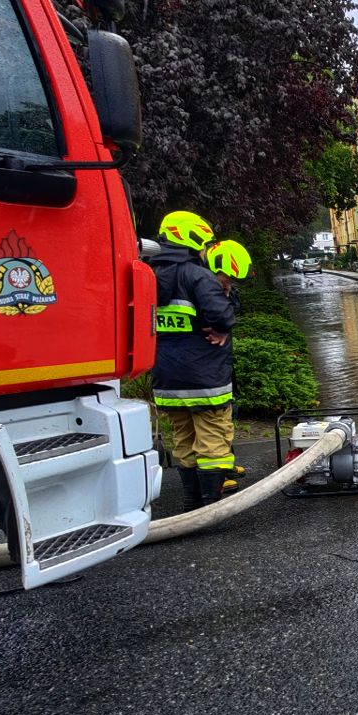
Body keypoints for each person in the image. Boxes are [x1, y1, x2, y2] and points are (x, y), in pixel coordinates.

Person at [148, 211, 237, 507]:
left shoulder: (144, 274)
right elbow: (221, 316)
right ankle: (211, 508)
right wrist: (223, 327)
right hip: (204, 378)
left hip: (166, 377)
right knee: (213, 440)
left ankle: (191, 503)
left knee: (183, 440)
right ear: (193, 239)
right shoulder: (197, 275)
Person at [204, 240, 254, 496]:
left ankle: (226, 465)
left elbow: (232, 309)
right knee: (211, 425)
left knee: (225, 416)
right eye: (228, 278)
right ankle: (215, 479)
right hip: (204, 368)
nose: (230, 283)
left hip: (219, 365)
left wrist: (225, 294)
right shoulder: (198, 286)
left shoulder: (220, 289)